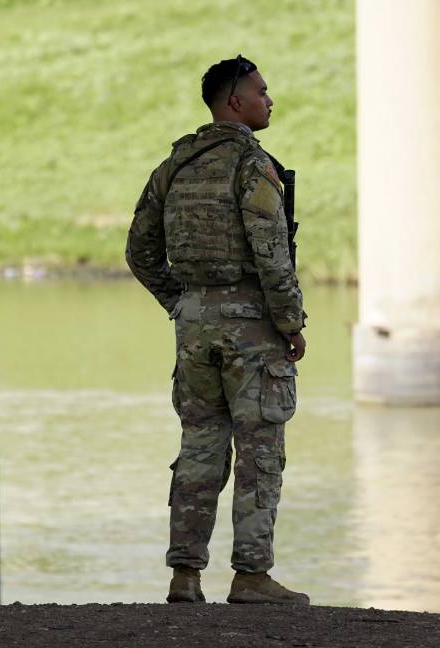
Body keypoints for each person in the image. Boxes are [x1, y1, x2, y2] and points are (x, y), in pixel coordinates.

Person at [125, 55, 308, 605]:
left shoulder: (174, 165)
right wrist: (291, 323)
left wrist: (182, 304)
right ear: (236, 102)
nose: (269, 100)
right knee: (259, 451)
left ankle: (185, 577)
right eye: (261, 91)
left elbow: (139, 251)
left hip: (195, 329)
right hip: (252, 330)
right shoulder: (252, 166)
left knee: (200, 446)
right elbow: (272, 253)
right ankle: (252, 576)